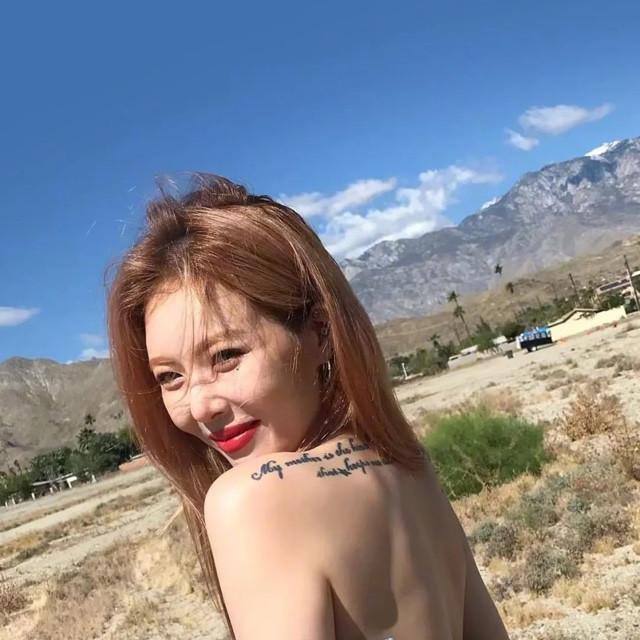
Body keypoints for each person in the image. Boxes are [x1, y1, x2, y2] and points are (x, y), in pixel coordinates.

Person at [107, 174, 510, 640]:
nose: (200, 406)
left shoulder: (251, 501)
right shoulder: (409, 466)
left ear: (318, 334)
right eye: (169, 377)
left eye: (226, 356)